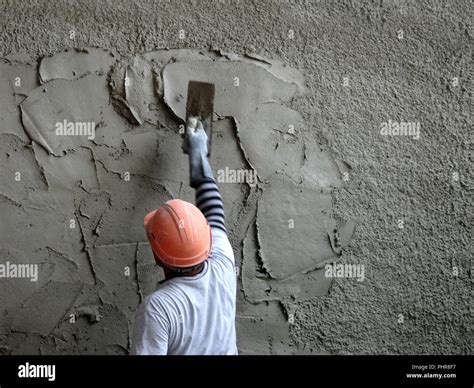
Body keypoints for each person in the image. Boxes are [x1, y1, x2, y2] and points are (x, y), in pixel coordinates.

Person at [130, 118, 237, 355]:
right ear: (206, 242)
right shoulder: (223, 264)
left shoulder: (159, 308)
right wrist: (199, 152)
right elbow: (214, 210)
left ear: (158, 258)